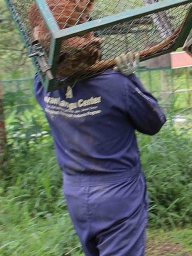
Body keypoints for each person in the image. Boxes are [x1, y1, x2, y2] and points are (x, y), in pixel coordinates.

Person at [33, 52, 167, 256]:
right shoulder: (115, 84)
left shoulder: (45, 85)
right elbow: (154, 121)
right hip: (118, 194)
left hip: (75, 193)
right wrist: (131, 78)